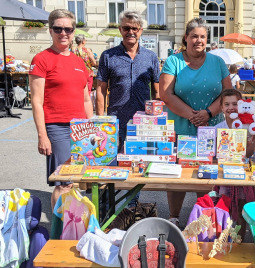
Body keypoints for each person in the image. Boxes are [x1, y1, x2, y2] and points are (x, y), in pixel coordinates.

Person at [159, 17, 232, 226]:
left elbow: (228, 93)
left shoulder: (217, 62)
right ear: (186, 38)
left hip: (210, 127)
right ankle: (173, 216)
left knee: (206, 174)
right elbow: (165, 93)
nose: (198, 40)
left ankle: (203, 217)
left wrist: (208, 113)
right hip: (180, 126)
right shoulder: (174, 61)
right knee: (177, 175)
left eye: (202, 37)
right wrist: (192, 114)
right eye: (194, 36)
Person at [29, 9, 93, 211]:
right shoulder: (41, 59)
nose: (63, 33)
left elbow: (85, 100)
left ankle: (73, 224)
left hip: (81, 129)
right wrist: (42, 135)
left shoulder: (79, 62)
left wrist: (92, 128)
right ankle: (59, 232)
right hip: (58, 127)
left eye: (68, 29)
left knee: (79, 180)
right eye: (58, 28)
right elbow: (36, 101)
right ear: (50, 30)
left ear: (74, 31)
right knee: (63, 182)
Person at [96, 10, 160, 148]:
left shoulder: (151, 57)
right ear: (120, 30)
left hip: (143, 121)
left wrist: (156, 119)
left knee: (142, 160)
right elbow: (101, 90)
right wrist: (100, 121)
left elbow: (157, 91)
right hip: (116, 120)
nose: (130, 31)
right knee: (114, 162)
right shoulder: (108, 56)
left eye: (134, 28)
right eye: (126, 28)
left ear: (141, 31)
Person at [213, 89, 255, 238]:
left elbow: (250, 153)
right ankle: (223, 238)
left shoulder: (251, 127)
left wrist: (248, 140)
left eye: (235, 103)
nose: (231, 107)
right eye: (227, 104)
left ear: (241, 105)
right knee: (223, 207)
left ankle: (239, 239)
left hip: (242, 174)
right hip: (223, 175)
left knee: (242, 207)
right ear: (221, 107)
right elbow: (214, 155)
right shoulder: (218, 128)